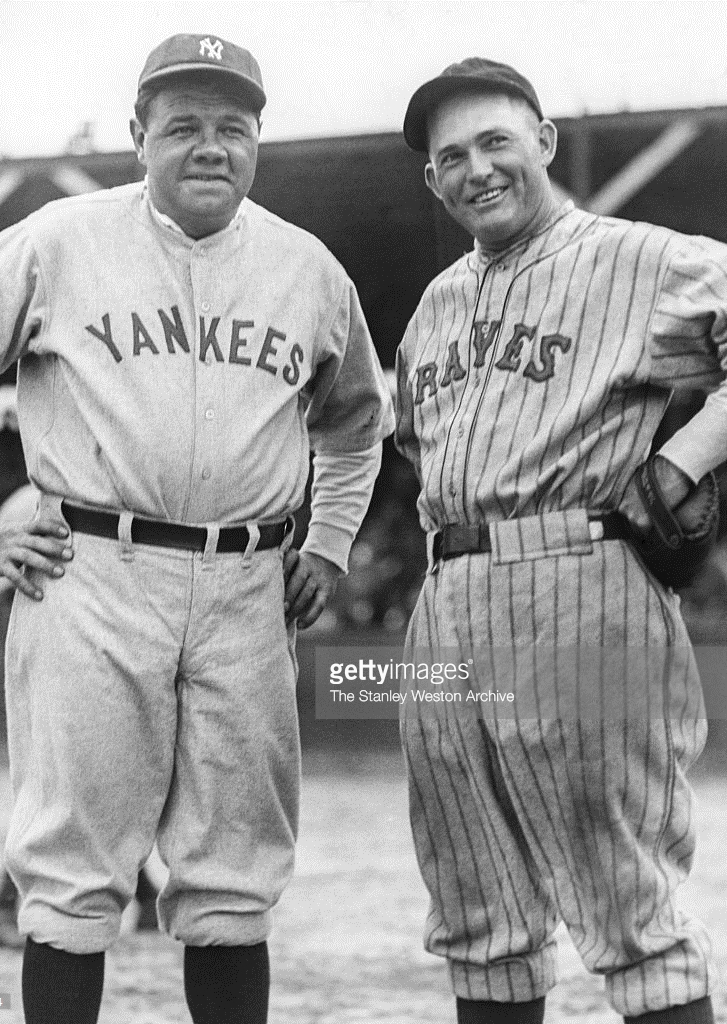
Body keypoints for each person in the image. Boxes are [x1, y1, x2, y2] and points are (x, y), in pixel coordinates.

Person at [0, 33, 393, 1024]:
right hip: (92, 569)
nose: (210, 145)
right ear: (137, 136)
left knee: (230, 879)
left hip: (246, 583)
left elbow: (356, 426)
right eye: (182, 125)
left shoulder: (305, 268)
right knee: (70, 873)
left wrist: (329, 540)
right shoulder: (60, 239)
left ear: (258, 140)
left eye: (233, 125)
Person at [394, 58, 726, 1024]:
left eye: (496, 140)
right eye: (451, 156)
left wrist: (683, 461)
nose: (476, 169)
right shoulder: (436, 304)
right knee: (476, 906)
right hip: (445, 595)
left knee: (627, 903)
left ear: (543, 140)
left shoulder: (639, 257)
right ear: (432, 181)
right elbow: (417, 445)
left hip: (579, 582)